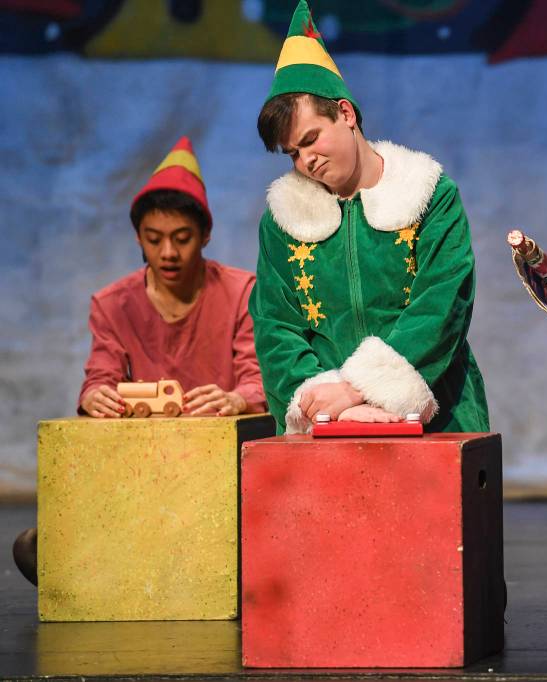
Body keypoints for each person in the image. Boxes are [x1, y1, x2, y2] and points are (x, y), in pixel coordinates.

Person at [12, 136, 266, 585]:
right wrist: (96, 397)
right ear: (139, 239)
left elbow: (258, 378)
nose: (168, 252)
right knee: (35, 544)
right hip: (146, 469)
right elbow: (100, 377)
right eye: (155, 239)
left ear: (205, 235)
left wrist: (235, 399)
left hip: (220, 472)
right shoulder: (113, 305)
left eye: (182, 238)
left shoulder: (241, 292)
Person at [249, 0, 488, 435]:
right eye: (293, 154)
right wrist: (334, 407)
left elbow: (443, 304)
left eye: (311, 139)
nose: (307, 161)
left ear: (345, 113)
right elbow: (275, 326)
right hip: (327, 427)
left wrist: (361, 388)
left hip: (439, 418)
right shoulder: (283, 221)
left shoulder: (429, 195)